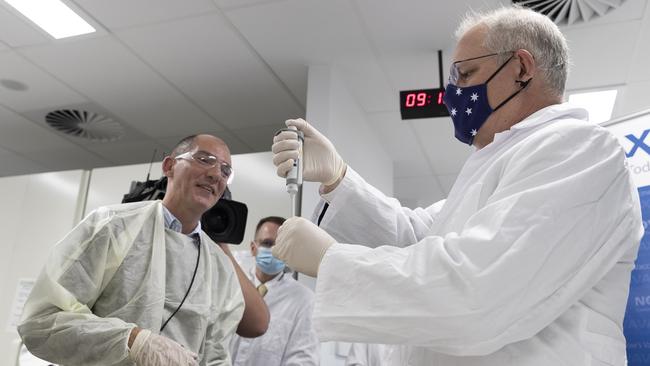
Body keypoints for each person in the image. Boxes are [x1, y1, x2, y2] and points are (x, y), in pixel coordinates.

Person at [270, 6, 644, 366]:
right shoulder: (494, 165)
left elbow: (482, 290)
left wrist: (331, 262)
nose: (452, 95)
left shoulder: (579, 150)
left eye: (465, 75)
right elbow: (415, 237)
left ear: (521, 69)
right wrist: (339, 179)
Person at [18, 134, 270, 366]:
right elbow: (42, 322)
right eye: (205, 160)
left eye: (226, 171)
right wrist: (132, 340)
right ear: (169, 166)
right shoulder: (112, 227)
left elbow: (217, 354)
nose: (216, 174)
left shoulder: (220, 267)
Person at [230, 216, 320, 366]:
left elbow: (303, 359)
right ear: (253, 248)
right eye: (267, 243)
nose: (274, 250)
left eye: (280, 245)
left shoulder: (304, 301)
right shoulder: (232, 282)